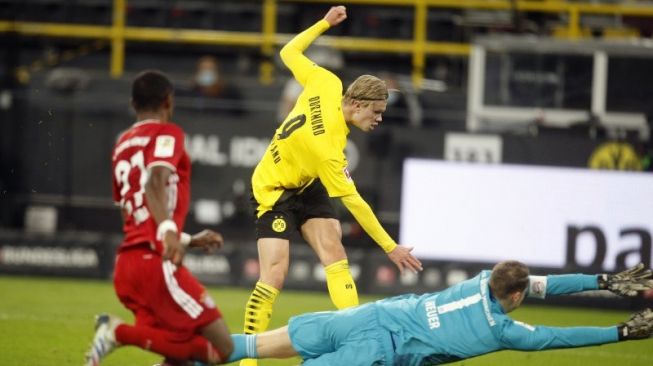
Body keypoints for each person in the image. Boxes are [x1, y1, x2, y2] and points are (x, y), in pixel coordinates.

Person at [239, 6, 423, 365]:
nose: (379, 119)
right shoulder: (329, 151)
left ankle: (359, 342)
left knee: (335, 252)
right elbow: (356, 203)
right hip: (274, 190)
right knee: (274, 273)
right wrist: (391, 248)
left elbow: (288, 52)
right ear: (355, 105)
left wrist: (324, 23)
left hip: (308, 182)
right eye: (375, 112)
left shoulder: (328, 82)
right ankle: (246, 357)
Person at [226, 261, 653, 365]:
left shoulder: (484, 277)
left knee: (255, 344)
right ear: (519, 297)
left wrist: (602, 281)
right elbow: (560, 337)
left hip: (365, 317)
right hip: (378, 350)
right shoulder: (506, 331)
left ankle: (180, 351)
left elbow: (545, 283)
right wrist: (620, 332)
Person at [85, 70, 233, 366]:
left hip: (128, 265)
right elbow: (154, 182)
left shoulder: (122, 145)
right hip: (155, 264)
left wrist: (186, 239)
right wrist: (168, 230)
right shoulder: (168, 133)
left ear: (132, 103)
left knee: (180, 358)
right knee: (221, 349)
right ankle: (117, 333)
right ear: (168, 101)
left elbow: (134, 210)